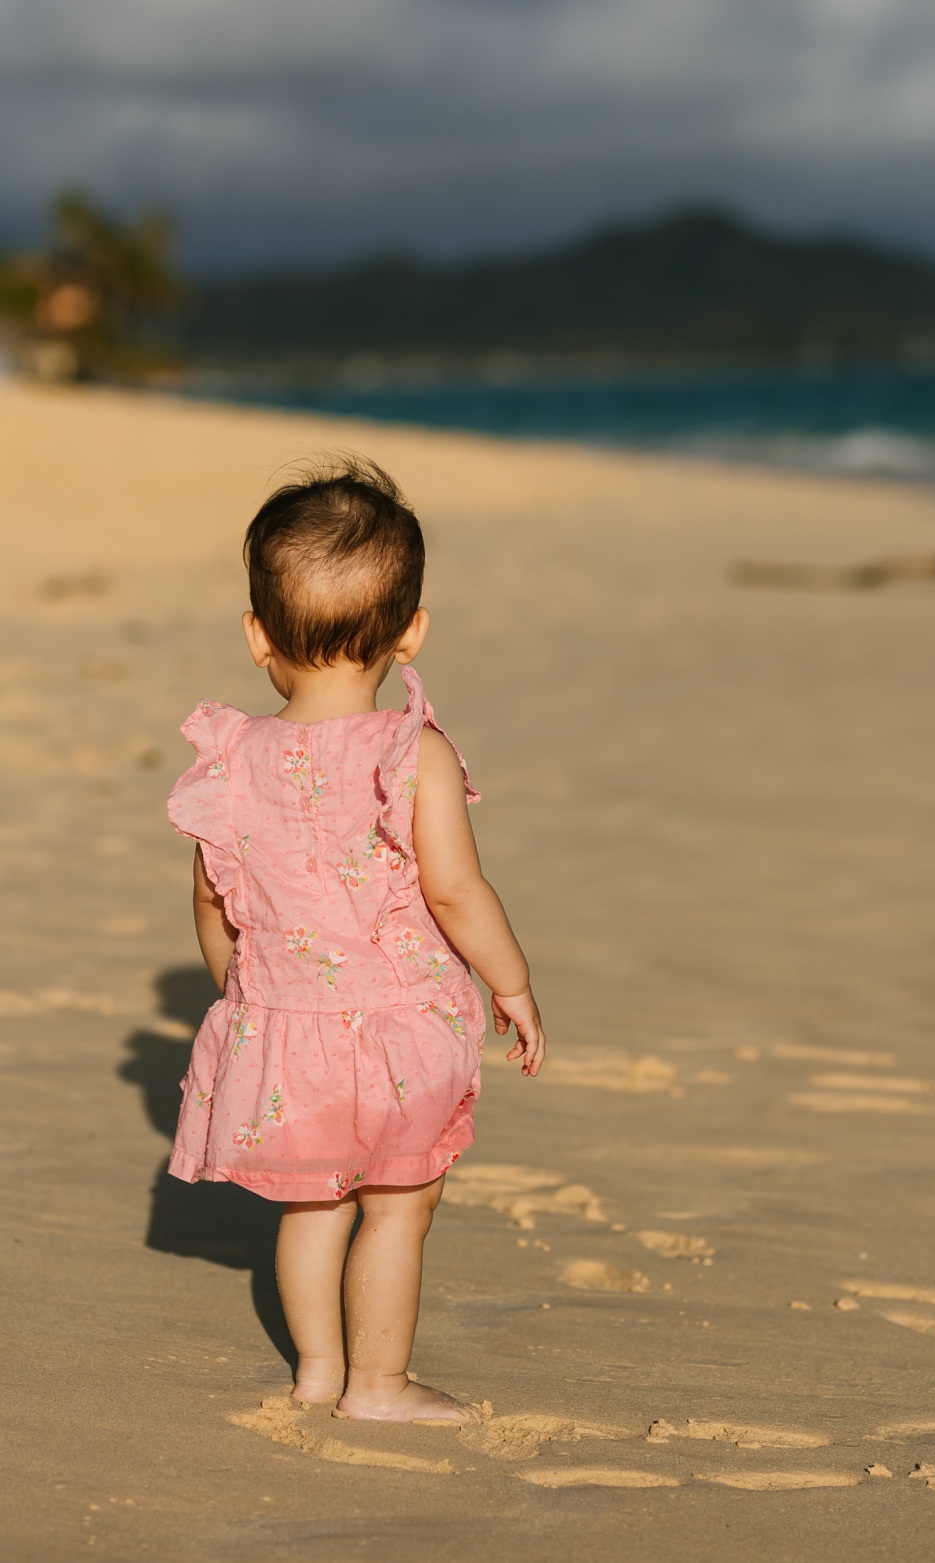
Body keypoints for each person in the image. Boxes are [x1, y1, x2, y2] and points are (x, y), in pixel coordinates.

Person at [166, 456, 545, 1422]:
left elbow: (216, 903)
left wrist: (250, 1001)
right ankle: (378, 1384)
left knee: (311, 1209)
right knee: (398, 1205)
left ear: (259, 637)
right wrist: (513, 982)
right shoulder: (408, 751)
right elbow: (457, 892)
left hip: (283, 1028)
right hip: (399, 1033)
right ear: (410, 630)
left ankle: (317, 1373)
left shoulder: (231, 759)